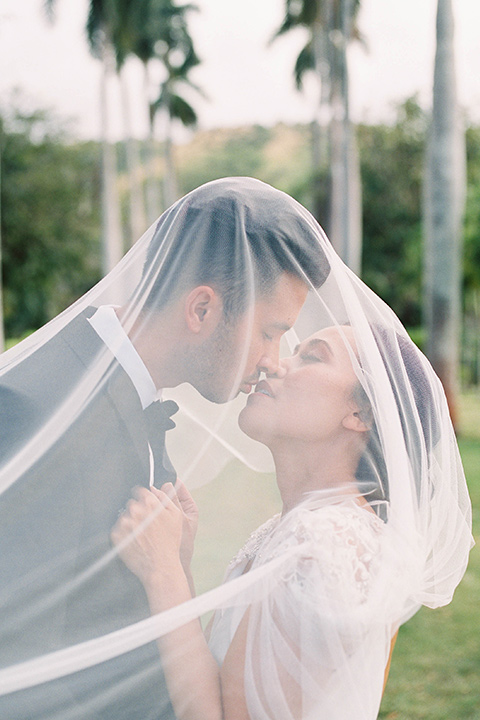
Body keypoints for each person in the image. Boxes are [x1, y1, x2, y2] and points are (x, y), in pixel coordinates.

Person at [0, 178, 328, 720]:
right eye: (271, 331)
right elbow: (15, 656)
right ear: (201, 310)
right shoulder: (38, 408)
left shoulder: (127, 391)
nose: (274, 359)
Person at [111, 318, 473, 720]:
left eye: (312, 357)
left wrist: (164, 576)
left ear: (361, 413)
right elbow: (219, 682)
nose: (275, 364)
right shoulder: (295, 528)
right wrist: (180, 560)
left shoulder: (328, 545)